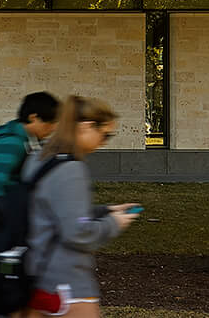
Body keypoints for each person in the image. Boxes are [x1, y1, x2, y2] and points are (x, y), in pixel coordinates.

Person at [20, 94, 137, 318]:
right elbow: (77, 232)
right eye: (106, 135)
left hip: (35, 277)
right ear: (86, 126)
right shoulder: (71, 170)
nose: (104, 142)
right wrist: (113, 223)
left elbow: (54, 212)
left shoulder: (38, 159)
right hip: (68, 286)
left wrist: (104, 211)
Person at [0, 91, 60, 207]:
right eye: (50, 123)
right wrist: (5, 213)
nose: (53, 129)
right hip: (4, 212)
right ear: (33, 118)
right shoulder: (12, 142)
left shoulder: (28, 140)